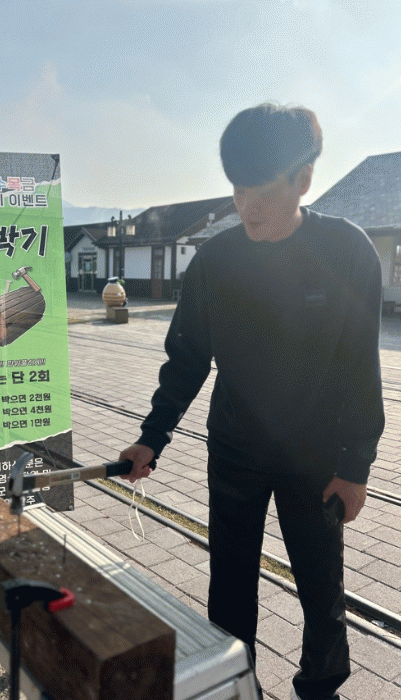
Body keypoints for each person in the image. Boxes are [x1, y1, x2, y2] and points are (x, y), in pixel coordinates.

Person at [119, 103, 385, 700]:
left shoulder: (346, 251)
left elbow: (359, 370)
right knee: (230, 583)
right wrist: (151, 437)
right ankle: (235, 685)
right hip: (235, 452)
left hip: (316, 459)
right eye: (237, 191)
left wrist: (356, 467)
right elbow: (186, 359)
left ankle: (320, 687)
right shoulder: (215, 262)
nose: (247, 208)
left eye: (262, 192)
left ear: (303, 180)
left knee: (321, 586)